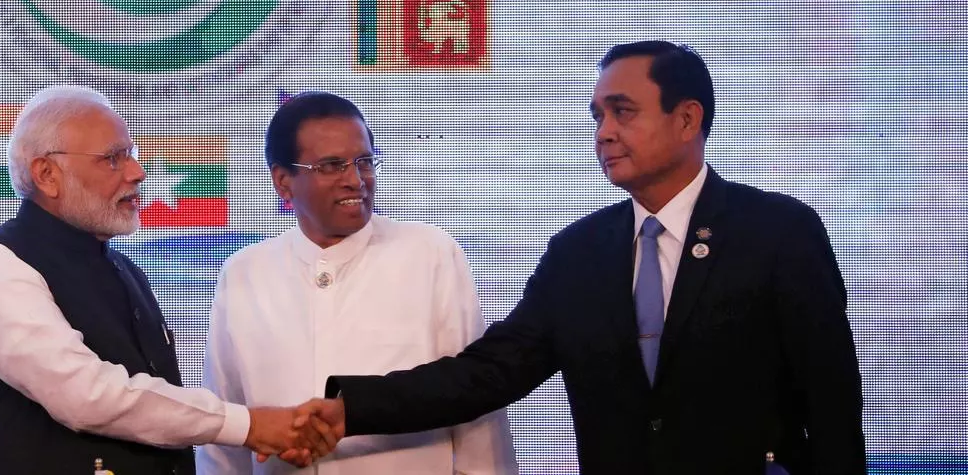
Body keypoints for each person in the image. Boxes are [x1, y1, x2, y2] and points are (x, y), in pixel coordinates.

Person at [300, 42, 867, 475]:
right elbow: (491, 371)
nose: (604, 133)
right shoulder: (580, 253)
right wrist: (353, 409)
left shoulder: (777, 231)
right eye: (598, 116)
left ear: (687, 119)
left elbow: (833, 402)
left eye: (622, 112)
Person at [0, 84, 333, 474]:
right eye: (113, 158)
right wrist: (250, 425)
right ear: (47, 175)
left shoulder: (126, 271)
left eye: (131, 154)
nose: (138, 172)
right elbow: (87, 396)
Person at [196, 92, 517, 473]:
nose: (355, 180)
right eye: (332, 166)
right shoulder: (244, 272)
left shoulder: (429, 253)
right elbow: (228, 425)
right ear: (283, 182)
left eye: (364, 162)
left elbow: (473, 402)